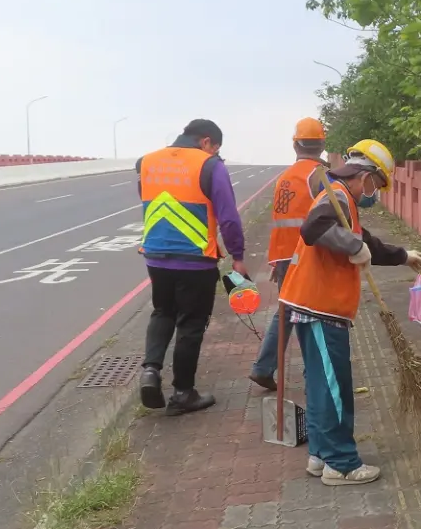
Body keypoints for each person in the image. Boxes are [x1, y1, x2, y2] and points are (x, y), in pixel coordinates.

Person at [278, 139, 421, 486]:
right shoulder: (339, 194)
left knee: (320, 384)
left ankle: (320, 454)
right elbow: (313, 228)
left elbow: (367, 242)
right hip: (320, 305)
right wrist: (352, 246)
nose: (375, 193)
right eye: (377, 184)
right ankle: (341, 463)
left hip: (316, 305)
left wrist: (404, 255)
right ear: (366, 175)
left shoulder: (345, 201)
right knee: (334, 388)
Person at [137, 119, 246, 416]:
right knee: (190, 325)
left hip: (156, 256)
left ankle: (150, 370)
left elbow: (146, 199)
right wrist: (237, 255)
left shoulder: (146, 162)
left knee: (163, 311)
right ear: (207, 141)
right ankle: (183, 393)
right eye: (216, 148)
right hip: (195, 260)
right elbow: (228, 217)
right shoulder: (210, 166)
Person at [248, 117, 329, 391]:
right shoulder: (319, 176)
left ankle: (263, 367)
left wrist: (277, 261)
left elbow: (281, 219)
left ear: (295, 145)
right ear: (322, 144)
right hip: (308, 256)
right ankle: (313, 377)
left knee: (287, 311)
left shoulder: (285, 177)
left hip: (284, 256)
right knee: (313, 312)